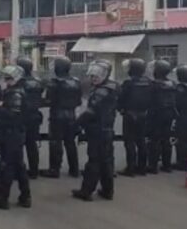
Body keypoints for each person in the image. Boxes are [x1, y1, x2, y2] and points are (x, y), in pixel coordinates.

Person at [72, 60, 118, 202]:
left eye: (96, 76)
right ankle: (107, 190)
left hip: (98, 130)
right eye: (92, 76)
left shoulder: (102, 92)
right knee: (106, 161)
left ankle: (86, 191)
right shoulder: (112, 87)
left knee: (94, 161)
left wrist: (77, 123)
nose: (93, 78)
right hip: (106, 129)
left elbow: (91, 112)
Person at [0, 65, 31, 210]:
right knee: (19, 166)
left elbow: (14, 114)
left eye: (9, 78)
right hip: (15, 134)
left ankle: (2, 197)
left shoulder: (15, 94)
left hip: (11, 134)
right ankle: (25, 196)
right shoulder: (15, 91)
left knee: (7, 166)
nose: (6, 80)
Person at [40, 57, 82, 179]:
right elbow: (79, 101)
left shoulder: (54, 82)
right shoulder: (76, 82)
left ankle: (54, 169)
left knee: (55, 143)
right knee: (70, 143)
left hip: (57, 116)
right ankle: (74, 169)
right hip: (71, 115)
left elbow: (49, 100)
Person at [117, 58, 152, 177]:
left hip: (129, 114)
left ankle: (130, 168)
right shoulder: (148, 81)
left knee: (129, 142)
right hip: (143, 114)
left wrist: (120, 108)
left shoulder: (128, 82)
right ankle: (142, 168)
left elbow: (120, 98)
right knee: (141, 141)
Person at [15, 56, 45, 179]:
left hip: (21, 116)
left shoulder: (19, 82)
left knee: (18, 144)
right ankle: (34, 170)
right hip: (35, 115)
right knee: (32, 144)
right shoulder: (38, 82)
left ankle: (19, 170)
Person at [147, 60, 176, 174]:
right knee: (166, 139)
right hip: (169, 114)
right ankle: (167, 165)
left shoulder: (153, 85)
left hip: (156, 114)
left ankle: (153, 166)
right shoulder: (172, 84)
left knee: (154, 140)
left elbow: (149, 99)